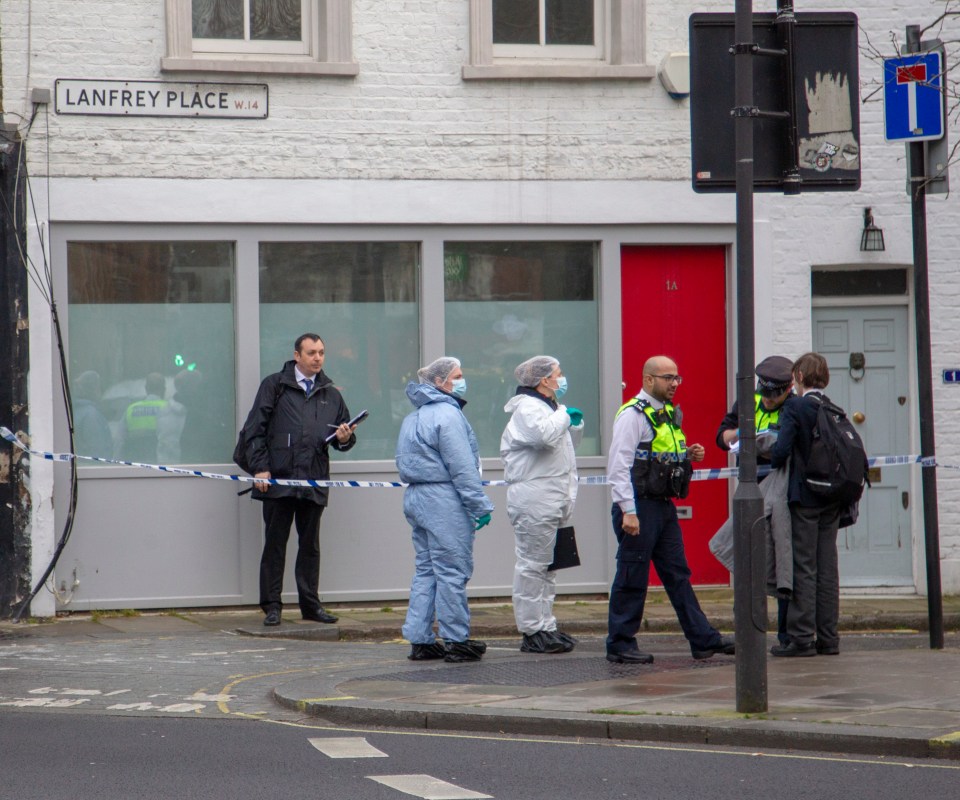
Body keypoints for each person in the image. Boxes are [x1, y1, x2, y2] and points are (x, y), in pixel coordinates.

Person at [606, 355, 735, 664]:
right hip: (639, 506)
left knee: (678, 574)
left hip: (662, 507)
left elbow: (659, 458)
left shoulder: (665, 414)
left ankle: (702, 639)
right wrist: (628, 510)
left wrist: (688, 455)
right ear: (648, 379)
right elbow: (618, 467)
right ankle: (620, 643)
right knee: (631, 574)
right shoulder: (633, 415)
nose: (674, 384)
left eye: (677, 378)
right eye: (667, 378)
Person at [237, 333, 357, 627]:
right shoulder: (274, 386)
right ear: (297, 355)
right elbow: (255, 430)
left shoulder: (331, 393)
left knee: (310, 546)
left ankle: (310, 606)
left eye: (322, 353)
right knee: (275, 543)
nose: (318, 358)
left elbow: (343, 440)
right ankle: (272, 605)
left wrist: (345, 438)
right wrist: (260, 469)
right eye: (312, 352)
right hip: (279, 479)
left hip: (314, 480)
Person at [396, 357, 495, 663]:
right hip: (444, 501)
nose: (463, 380)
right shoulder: (448, 415)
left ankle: (420, 638)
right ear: (440, 382)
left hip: (416, 497)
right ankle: (456, 639)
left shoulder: (412, 417)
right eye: (458, 375)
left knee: (426, 569)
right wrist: (480, 506)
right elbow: (463, 468)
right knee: (452, 571)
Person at [500, 356, 583, 654]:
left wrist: (572, 421)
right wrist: (564, 416)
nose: (562, 378)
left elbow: (566, 447)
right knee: (532, 566)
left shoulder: (550, 408)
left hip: (553, 498)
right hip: (535, 500)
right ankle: (532, 630)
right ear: (544, 380)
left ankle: (547, 625)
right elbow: (544, 437)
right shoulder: (528, 408)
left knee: (549, 567)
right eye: (558, 374)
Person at [712, 355, 795, 644]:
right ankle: (747, 631)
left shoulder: (794, 407)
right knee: (747, 562)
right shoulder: (748, 401)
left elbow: (785, 447)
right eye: (765, 393)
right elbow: (721, 436)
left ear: (789, 387)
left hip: (783, 494)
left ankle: (785, 633)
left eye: (776, 395)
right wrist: (745, 435)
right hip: (751, 491)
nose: (769, 400)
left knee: (783, 564)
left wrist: (760, 443)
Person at [768, 352, 842, 657]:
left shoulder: (796, 406)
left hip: (805, 498)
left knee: (803, 566)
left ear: (798, 377)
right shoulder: (833, 408)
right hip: (832, 499)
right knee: (828, 569)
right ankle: (828, 639)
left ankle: (801, 638)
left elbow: (781, 450)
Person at [121, 372, 168, 462]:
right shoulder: (168, 407)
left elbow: (120, 441)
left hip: (136, 465)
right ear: (163, 389)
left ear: (146, 389)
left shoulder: (131, 409)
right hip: (161, 462)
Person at [72, 370, 113, 459]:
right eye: (100, 388)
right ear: (94, 390)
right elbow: (98, 452)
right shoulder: (91, 416)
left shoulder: (76, 411)